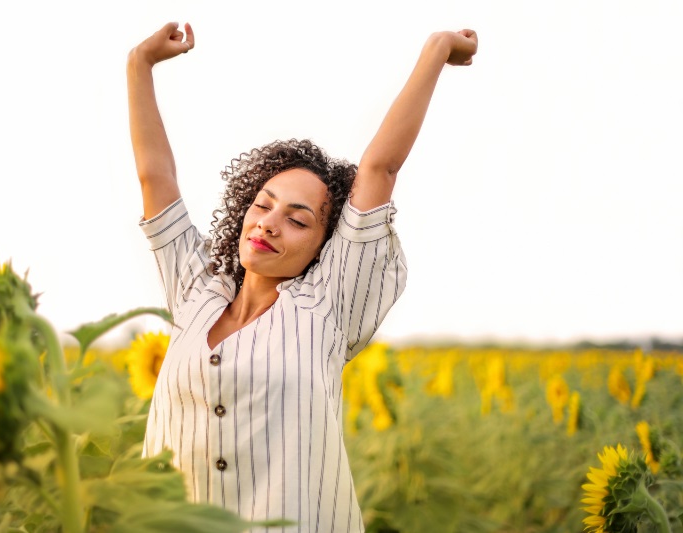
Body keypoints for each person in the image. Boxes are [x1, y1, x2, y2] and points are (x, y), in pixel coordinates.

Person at [127, 21, 477, 532]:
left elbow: (379, 168)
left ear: (325, 244)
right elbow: (155, 177)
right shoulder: (195, 290)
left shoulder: (327, 307)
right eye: (262, 206)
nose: (269, 222)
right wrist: (140, 64)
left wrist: (437, 49)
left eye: (297, 219)